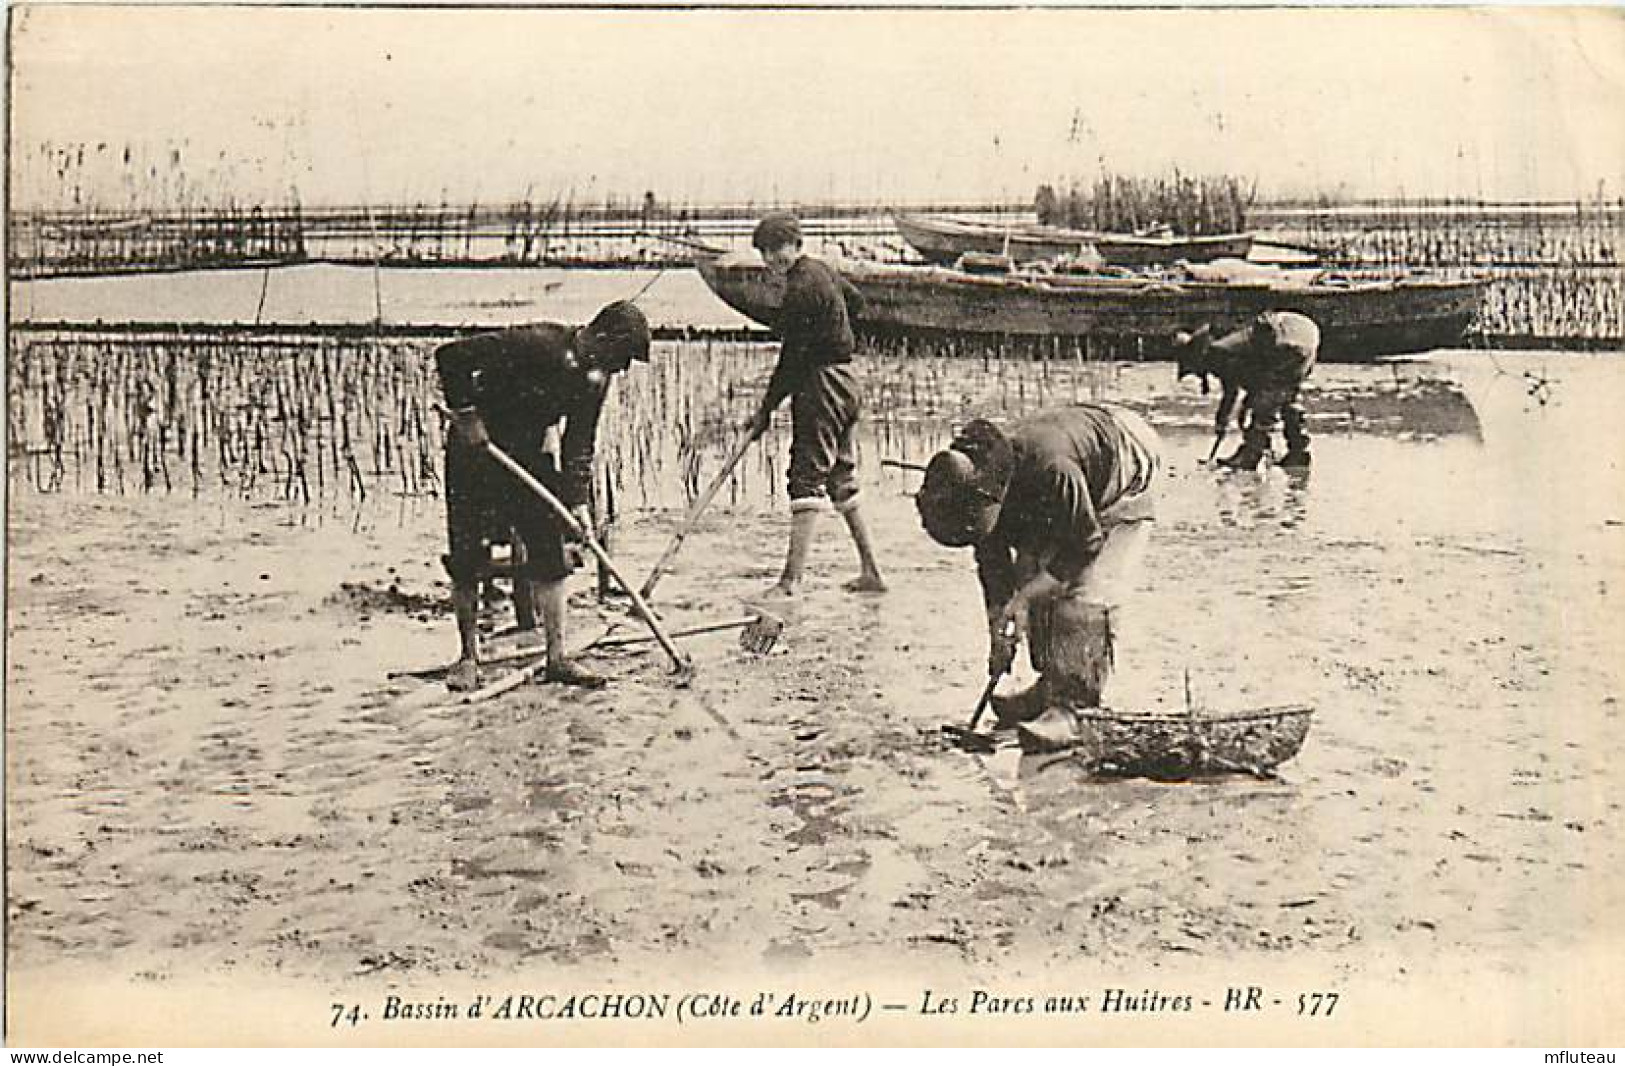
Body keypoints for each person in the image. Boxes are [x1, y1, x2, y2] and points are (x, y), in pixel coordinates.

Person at [436, 301, 651, 693]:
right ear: (601, 337)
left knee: (549, 550)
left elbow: (579, 443)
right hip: (476, 451)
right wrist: (467, 415)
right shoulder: (538, 343)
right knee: (468, 555)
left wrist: (577, 503)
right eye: (622, 357)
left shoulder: (595, 378)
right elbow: (451, 355)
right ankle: (468, 656)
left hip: (527, 453)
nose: (622, 369)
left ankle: (556, 656)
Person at [915, 405, 1161, 746]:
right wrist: (999, 627)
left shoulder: (1052, 469)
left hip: (1127, 458)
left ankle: (1075, 709)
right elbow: (994, 564)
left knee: (1083, 594)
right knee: (1032, 575)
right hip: (1075, 465)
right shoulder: (981, 478)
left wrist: (1025, 598)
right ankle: (1048, 689)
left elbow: (1083, 546)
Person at [744, 211, 886, 597]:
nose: (774, 259)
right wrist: (834, 330)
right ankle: (872, 572)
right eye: (767, 253)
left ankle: (790, 582)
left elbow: (792, 359)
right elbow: (855, 303)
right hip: (846, 381)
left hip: (821, 385)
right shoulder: (822, 272)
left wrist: (765, 411)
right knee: (840, 478)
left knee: (806, 479)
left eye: (780, 249)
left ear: (796, 244)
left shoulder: (799, 290)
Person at [1171, 310, 1319, 470]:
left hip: (1285, 341)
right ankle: (1298, 454)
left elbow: (1232, 391)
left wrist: (1222, 422)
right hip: (1305, 332)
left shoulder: (1217, 352)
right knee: (1286, 394)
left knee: (1266, 400)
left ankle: (1251, 456)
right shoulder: (1224, 337)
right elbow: (1253, 378)